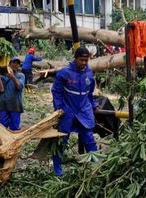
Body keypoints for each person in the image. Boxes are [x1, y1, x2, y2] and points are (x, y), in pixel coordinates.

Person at [51, 47, 99, 176]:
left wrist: (93, 104)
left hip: (84, 110)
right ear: (75, 58)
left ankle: (97, 167)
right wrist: (59, 108)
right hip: (68, 111)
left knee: (89, 138)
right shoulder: (64, 73)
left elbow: (89, 92)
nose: (84, 63)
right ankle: (57, 170)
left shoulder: (89, 73)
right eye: (81, 60)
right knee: (61, 140)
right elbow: (56, 92)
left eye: (86, 60)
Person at [0, 57, 25, 130]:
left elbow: (19, 87)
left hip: (15, 105)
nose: (15, 64)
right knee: (1, 127)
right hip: (4, 104)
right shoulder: (3, 76)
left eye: (17, 63)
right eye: (13, 62)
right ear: (9, 64)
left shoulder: (21, 75)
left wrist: (13, 77)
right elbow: (1, 89)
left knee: (14, 128)